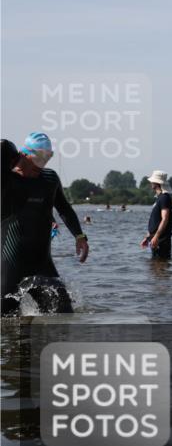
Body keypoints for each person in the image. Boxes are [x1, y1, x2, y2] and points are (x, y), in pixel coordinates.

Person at [2, 133, 88, 315]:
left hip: (41, 264)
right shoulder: (7, 180)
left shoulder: (49, 179)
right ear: (23, 154)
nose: (41, 165)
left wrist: (79, 236)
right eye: (38, 158)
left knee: (64, 316)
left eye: (47, 158)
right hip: (9, 265)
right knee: (7, 322)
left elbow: (64, 208)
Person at [140, 170, 172, 259]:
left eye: (152, 181)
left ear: (157, 183)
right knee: (155, 265)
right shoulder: (159, 198)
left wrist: (156, 237)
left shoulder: (164, 198)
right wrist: (148, 237)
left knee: (161, 264)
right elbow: (155, 220)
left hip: (161, 240)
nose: (151, 183)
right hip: (155, 239)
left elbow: (164, 219)